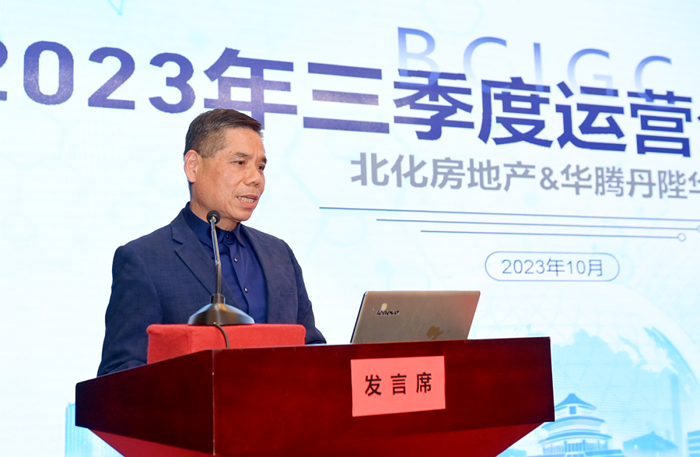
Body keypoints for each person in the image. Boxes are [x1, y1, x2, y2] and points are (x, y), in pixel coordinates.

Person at [97, 109, 325, 376]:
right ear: (193, 166)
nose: (256, 178)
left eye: (261, 167)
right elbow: (120, 371)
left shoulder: (279, 254)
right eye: (239, 162)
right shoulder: (144, 260)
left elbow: (312, 348)